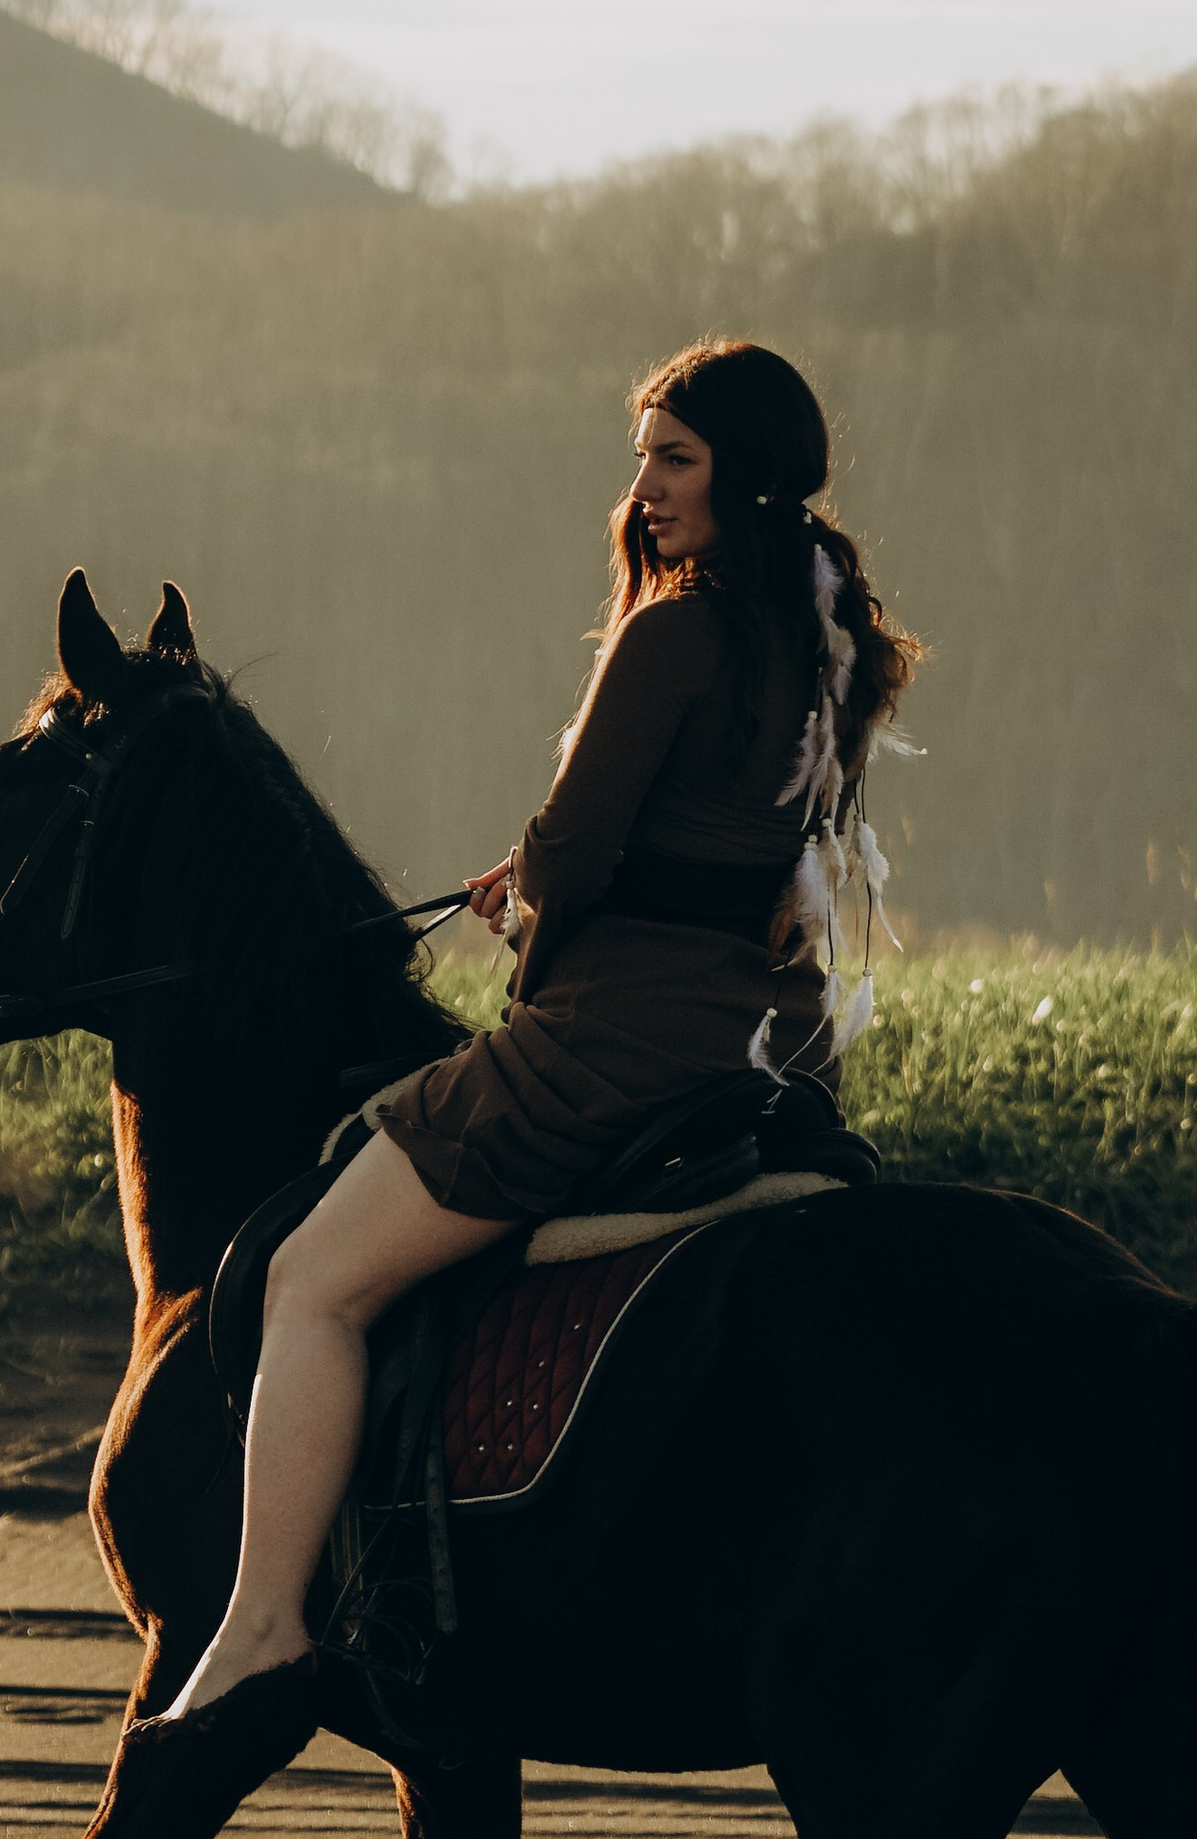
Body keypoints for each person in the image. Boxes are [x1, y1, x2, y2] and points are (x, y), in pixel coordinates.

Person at [161, 335, 918, 1727]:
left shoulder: (674, 630)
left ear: (744, 475)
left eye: (674, 459)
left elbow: (573, 851)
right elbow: (754, 862)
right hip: (766, 1046)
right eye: (640, 457)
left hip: (615, 1046)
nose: (642, 489)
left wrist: (527, 905)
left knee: (311, 1280)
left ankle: (265, 1622)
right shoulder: (828, 647)